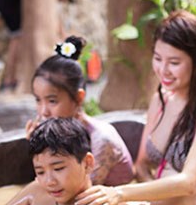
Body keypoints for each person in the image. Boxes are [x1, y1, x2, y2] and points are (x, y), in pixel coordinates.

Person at [75, 10, 196, 205]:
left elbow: (187, 183)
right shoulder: (161, 99)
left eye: (174, 63)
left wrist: (119, 194)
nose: (163, 69)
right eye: (158, 58)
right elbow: (141, 164)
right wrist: (147, 202)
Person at [26, 36, 134, 186]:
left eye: (52, 101)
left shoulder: (101, 139)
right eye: (38, 100)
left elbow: (80, 194)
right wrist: (37, 146)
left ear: (78, 97)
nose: (43, 111)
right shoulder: (57, 134)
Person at [0, 0, 74, 90]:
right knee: (17, 38)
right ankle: (9, 79)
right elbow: (53, 14)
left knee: (18, 37)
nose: (63, 0)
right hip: (7, 0)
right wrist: (63, 35)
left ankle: (11, 78)